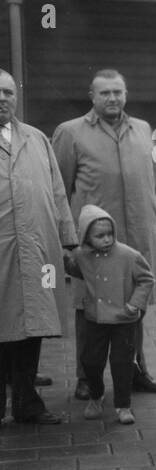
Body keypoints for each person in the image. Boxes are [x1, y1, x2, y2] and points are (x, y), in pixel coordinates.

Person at [52, 69, 156, 399]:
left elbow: (154, 185)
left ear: (126, 94)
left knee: (137, 305)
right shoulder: (70, 133)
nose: (113, 98)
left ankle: (134, 372)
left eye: (118, 91)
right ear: (92, 96)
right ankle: (86, 378)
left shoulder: (144, 130)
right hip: (95, 244)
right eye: (104, 93)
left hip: (139, 238)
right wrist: (68, 241)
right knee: (90, 310)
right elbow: (58, 189)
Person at [0, 69, 77, 425]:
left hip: (37, 249)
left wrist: (67, 241)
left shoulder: (35, 138)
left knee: (33, 326)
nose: (3, 99)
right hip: (3, 249)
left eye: (8, 92)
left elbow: (58, 192)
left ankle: (28, 404)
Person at [63, 205, 154, 424]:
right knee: (90, 361)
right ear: (86, 236)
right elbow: (78, 271)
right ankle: (96, 395)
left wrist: (135, 304)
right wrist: (66, 260)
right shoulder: (83, 255)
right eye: (99, 235)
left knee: (122, 363)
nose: (106, 239)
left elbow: (147, 279)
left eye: (110, 234)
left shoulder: (128, 255)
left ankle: (123, 406)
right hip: (95, 319)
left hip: (124, 319)